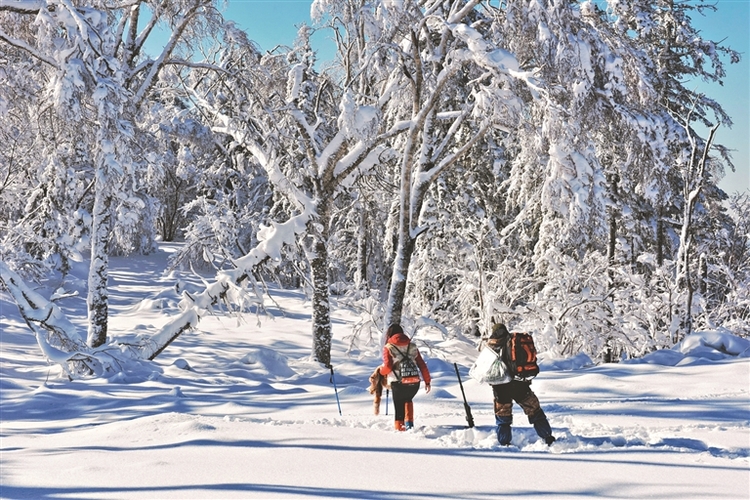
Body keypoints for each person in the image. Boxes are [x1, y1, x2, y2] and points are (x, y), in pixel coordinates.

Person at [487, 323, 555, 446]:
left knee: (503, 417)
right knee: (535, 411)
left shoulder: (491, 346)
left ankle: (504, 442)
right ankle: (547, 437)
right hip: (520, 384)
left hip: (501, 388)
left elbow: (485, 370)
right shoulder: (514, 341)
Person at [377, 324, 431, 431]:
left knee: (398, 405)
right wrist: (427, 381)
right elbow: (422, 365)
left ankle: (400, 429)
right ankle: (409, 425)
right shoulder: (412, 346)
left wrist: (381, 372)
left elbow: (387, 367)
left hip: (398, 382)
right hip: (414, 382)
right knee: (408, 399)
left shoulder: (388, 347)